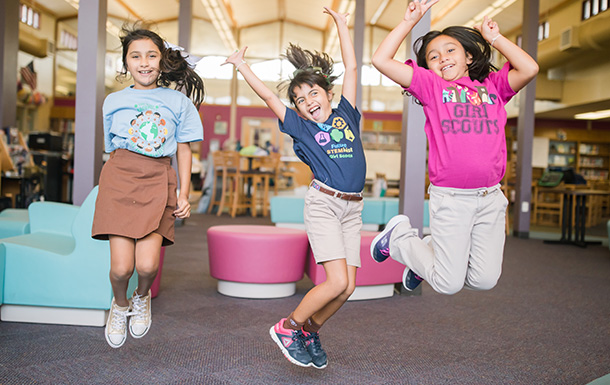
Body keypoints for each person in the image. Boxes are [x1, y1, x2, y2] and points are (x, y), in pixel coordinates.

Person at [223, 7, 366, 369]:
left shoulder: (346, 113)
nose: (308, 101)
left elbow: (352, 67)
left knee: (347, 287)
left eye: (313, 93)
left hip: (353, 207)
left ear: (327, 93)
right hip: (324, 205)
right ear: (298, 111)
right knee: (334, 283)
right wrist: (242, 67)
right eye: (300, 100)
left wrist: (341, 25)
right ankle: (288, 327)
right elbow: (271, 99)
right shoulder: (300, 128)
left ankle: (310, 330)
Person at [370, 0, 538, 295]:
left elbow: (530, 67)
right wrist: (409, 22)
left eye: (450, 50)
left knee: (483, 280)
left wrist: (495, 39)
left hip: (490, 198)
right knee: (448, 283)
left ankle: (427, 253)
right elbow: (381, 60)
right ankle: (399, 238)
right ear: (429, 67)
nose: (442, 58)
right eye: (433, 56)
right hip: (452, 198)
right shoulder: (432, 88)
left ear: (468, 57)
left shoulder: (494, 88)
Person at [92, 23, 205, 348]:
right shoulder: (113, 100)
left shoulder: (178, 102)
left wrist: (184, 192)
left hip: (158, 179)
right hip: (120, 178)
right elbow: (112, 145)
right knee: (120, 268)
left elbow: (184, 148)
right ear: (126, 62)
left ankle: (142, 297)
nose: (144, 62)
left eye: (151, 55)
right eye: (136, 56)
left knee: (147, 265)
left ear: (162, 60)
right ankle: (120, 303)